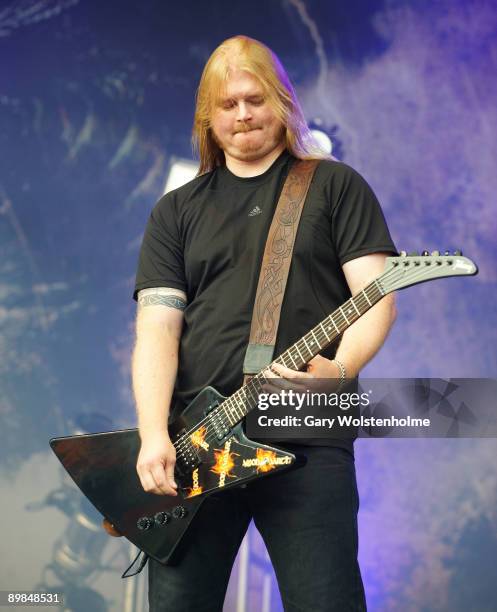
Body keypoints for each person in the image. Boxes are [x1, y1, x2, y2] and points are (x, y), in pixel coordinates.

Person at [132, 35, 397, 612]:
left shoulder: (334, 185)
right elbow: (157, 328)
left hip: (307, 431)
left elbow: (377, 296)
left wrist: (342, 368)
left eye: (255, 99)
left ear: (282, 102)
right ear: (208, 115)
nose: (244, 114)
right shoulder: (175, 211)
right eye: (228, 105)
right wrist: (154, 433)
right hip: (197, 444)